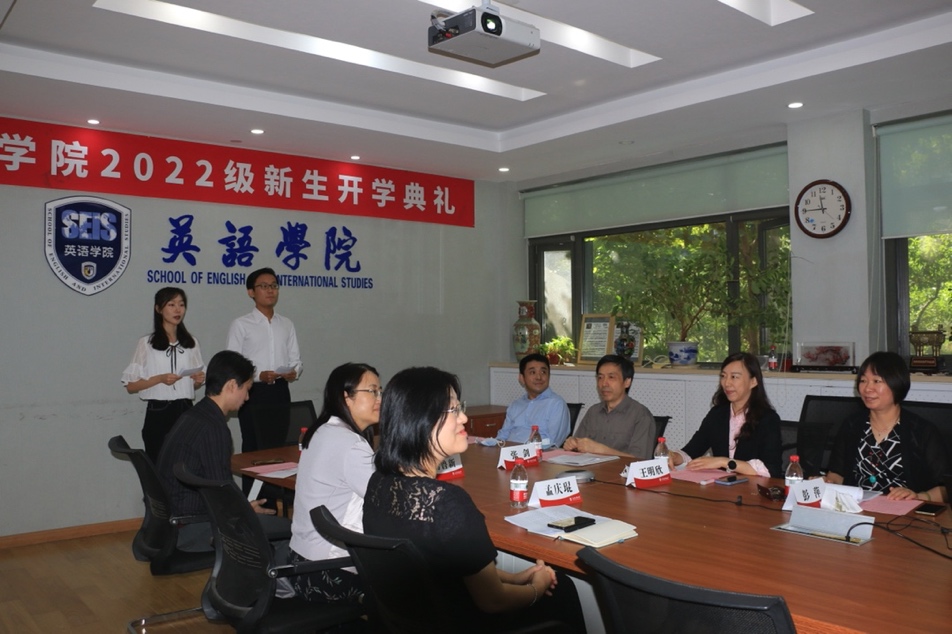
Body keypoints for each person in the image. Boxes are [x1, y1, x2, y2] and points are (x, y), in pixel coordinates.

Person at [363, 367, 586, 633]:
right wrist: (537, 588)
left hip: (412, 619)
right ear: (420, 419)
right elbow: (493, 601)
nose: (464, 418)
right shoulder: (448, 504)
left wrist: (516, 578)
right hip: (461, 622)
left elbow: (449, 564)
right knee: (562, 589)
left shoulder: (378, 484)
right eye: (453, 410)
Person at [156, 350, 290, 552]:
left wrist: (242, 508)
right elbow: (221, 495)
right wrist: (245, 510)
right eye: (247, 389)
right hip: (194, 527)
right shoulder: (213, 428)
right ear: (231, 386)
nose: (247, 397)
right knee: (289, 531)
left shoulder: (194, 415)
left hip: (173, 524)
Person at [288, 362, 380, 603]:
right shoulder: (350, 444)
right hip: (330, 572)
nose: (380, 399)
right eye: (372, 391)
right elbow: (387, 499)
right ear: (346, 397)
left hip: (302, 563)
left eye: (380, 392)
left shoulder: (321, 431)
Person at [826, 352, 949, 502]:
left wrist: (918, 497)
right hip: (857, 508)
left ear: (896, 384)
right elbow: (837, 474)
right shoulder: (852, 425)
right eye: (863, 380)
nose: (867, 388)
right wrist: (827, 482)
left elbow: (945, 488)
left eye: (876, 381)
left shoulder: (922, 431)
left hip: (904, 511)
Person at [226, 267, 302, 491]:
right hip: (252, 393)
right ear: (251, 292)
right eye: (264, 286)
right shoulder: (241, 324)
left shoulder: (286, 324)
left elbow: (296, 360)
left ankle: (274, 500)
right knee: (254, 449)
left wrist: (294, 371)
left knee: (279, 448)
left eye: (274, 286)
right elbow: (232, 363)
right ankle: (251, 502)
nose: (270, 290)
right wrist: (257, 375)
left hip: (280, 391)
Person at [121, 287, 205, 464]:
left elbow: (193, 383)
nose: (178, 310)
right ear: (158, 309)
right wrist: (159, 379)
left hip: (185, 408)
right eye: (171, 305)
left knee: (187, 463)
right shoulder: (146, 343)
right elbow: (130, 385)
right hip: (159, 411)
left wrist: (197, 381)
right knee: (159, 462)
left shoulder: (191, 342)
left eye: (181, 305)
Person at [667, 352, 783, 477]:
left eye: (734, 377)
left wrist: (723, 462)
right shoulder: (717, 414)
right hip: (721, 485)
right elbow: (691, 451)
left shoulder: (768, 419)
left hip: (752, 487)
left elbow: (771, 470)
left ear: (753, 381)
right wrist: (674, 456)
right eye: (723, 376)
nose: (727, 383)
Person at [563, 354, 655, 459]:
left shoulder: (641, 416)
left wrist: (600, 450)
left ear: (627, 382)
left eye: (611, 377)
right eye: (600, 377)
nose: (604, 384)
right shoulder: (593, 412)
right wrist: (573, 444)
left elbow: (640, 460)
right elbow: (579, 445)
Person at [493, 353, 571, 447]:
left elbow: (553, 442)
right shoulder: (515, 405)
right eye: (533, 372)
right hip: (509, 452)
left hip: (538, 454)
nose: (539, 377)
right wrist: (492, 445)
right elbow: (503, 436)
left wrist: (524, 449)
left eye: (543, 372)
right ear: (522, 378)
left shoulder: (556, 404)